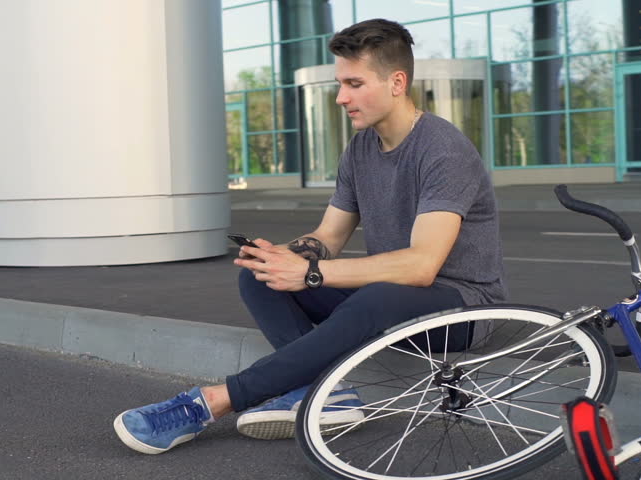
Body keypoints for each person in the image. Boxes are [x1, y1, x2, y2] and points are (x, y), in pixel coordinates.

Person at [112, 18, 507, 455]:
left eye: (354, 84)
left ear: (397, 82)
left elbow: (421, 266)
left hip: (462, 310)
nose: (341, 98)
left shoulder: (442, 150)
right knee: (262, 276)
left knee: (373, 298)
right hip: (392, 297)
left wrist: (313, 273)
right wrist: (284, 256)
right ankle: (324, 392)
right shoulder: (360, 150)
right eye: (340, 83)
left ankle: (211, 402)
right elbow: (327, 236)